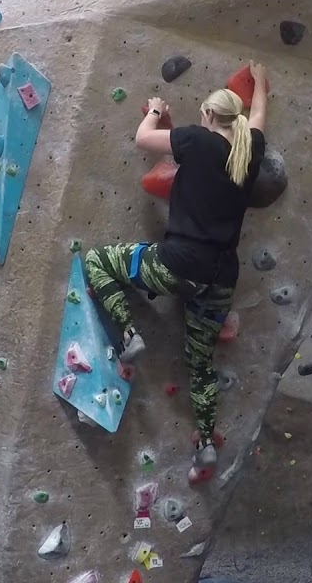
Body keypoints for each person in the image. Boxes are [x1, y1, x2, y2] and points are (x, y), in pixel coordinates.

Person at [84, 60, 269, 475]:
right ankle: (205, 441)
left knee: (98, 261)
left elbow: (143, 139)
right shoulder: (250, 150)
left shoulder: (197, 140)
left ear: (208, 114)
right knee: (201, 365)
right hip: (221, 279)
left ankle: (129, 333)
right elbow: (258, 115)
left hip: (179, 263)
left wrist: (154, 108)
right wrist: (260, 82)